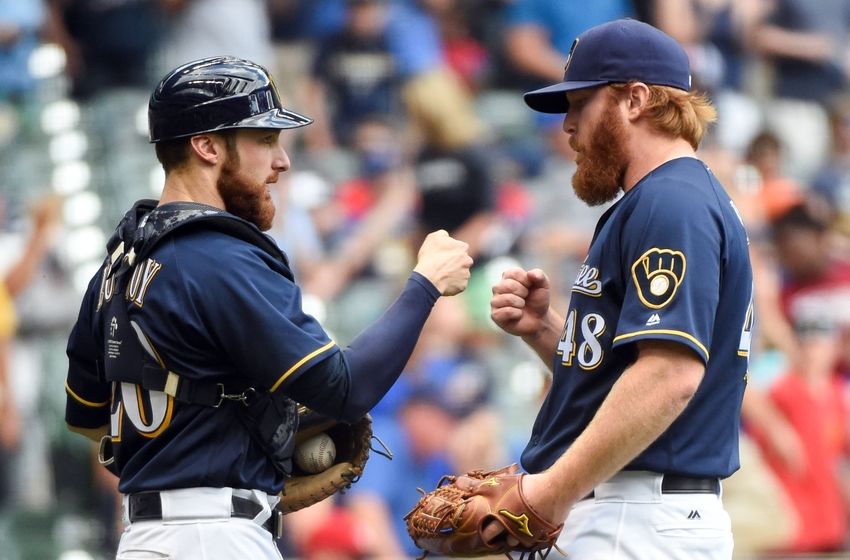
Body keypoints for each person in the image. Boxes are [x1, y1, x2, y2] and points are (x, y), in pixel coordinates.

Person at [63, 56, 473, 560]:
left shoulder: (118, 266)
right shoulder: (220, 254)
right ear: (207, 146)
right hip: (215, 538)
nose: (281, 161)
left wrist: (197, 440)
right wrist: (425, 285)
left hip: (145, 539)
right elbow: (346, 390)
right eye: (264, 140)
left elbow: (86, 416)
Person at [489, 19, 753, 559]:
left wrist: (547, 494)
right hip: (635, 512)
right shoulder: (662, 198)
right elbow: (629, 372)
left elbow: (670, 376)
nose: (565, 126)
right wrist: (545, 330)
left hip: (636, 517)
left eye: (580, 104)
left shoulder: (671, 202)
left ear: (634, 99)